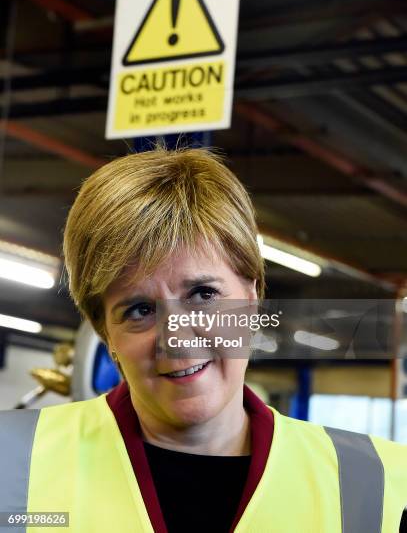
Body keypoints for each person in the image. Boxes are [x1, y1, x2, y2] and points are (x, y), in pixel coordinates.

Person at [0, 145, 406, 533]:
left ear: (251, 298)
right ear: (106, 333)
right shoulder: (11, 462)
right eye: (140, 310)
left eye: (203, 295)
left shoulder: (382, 483)